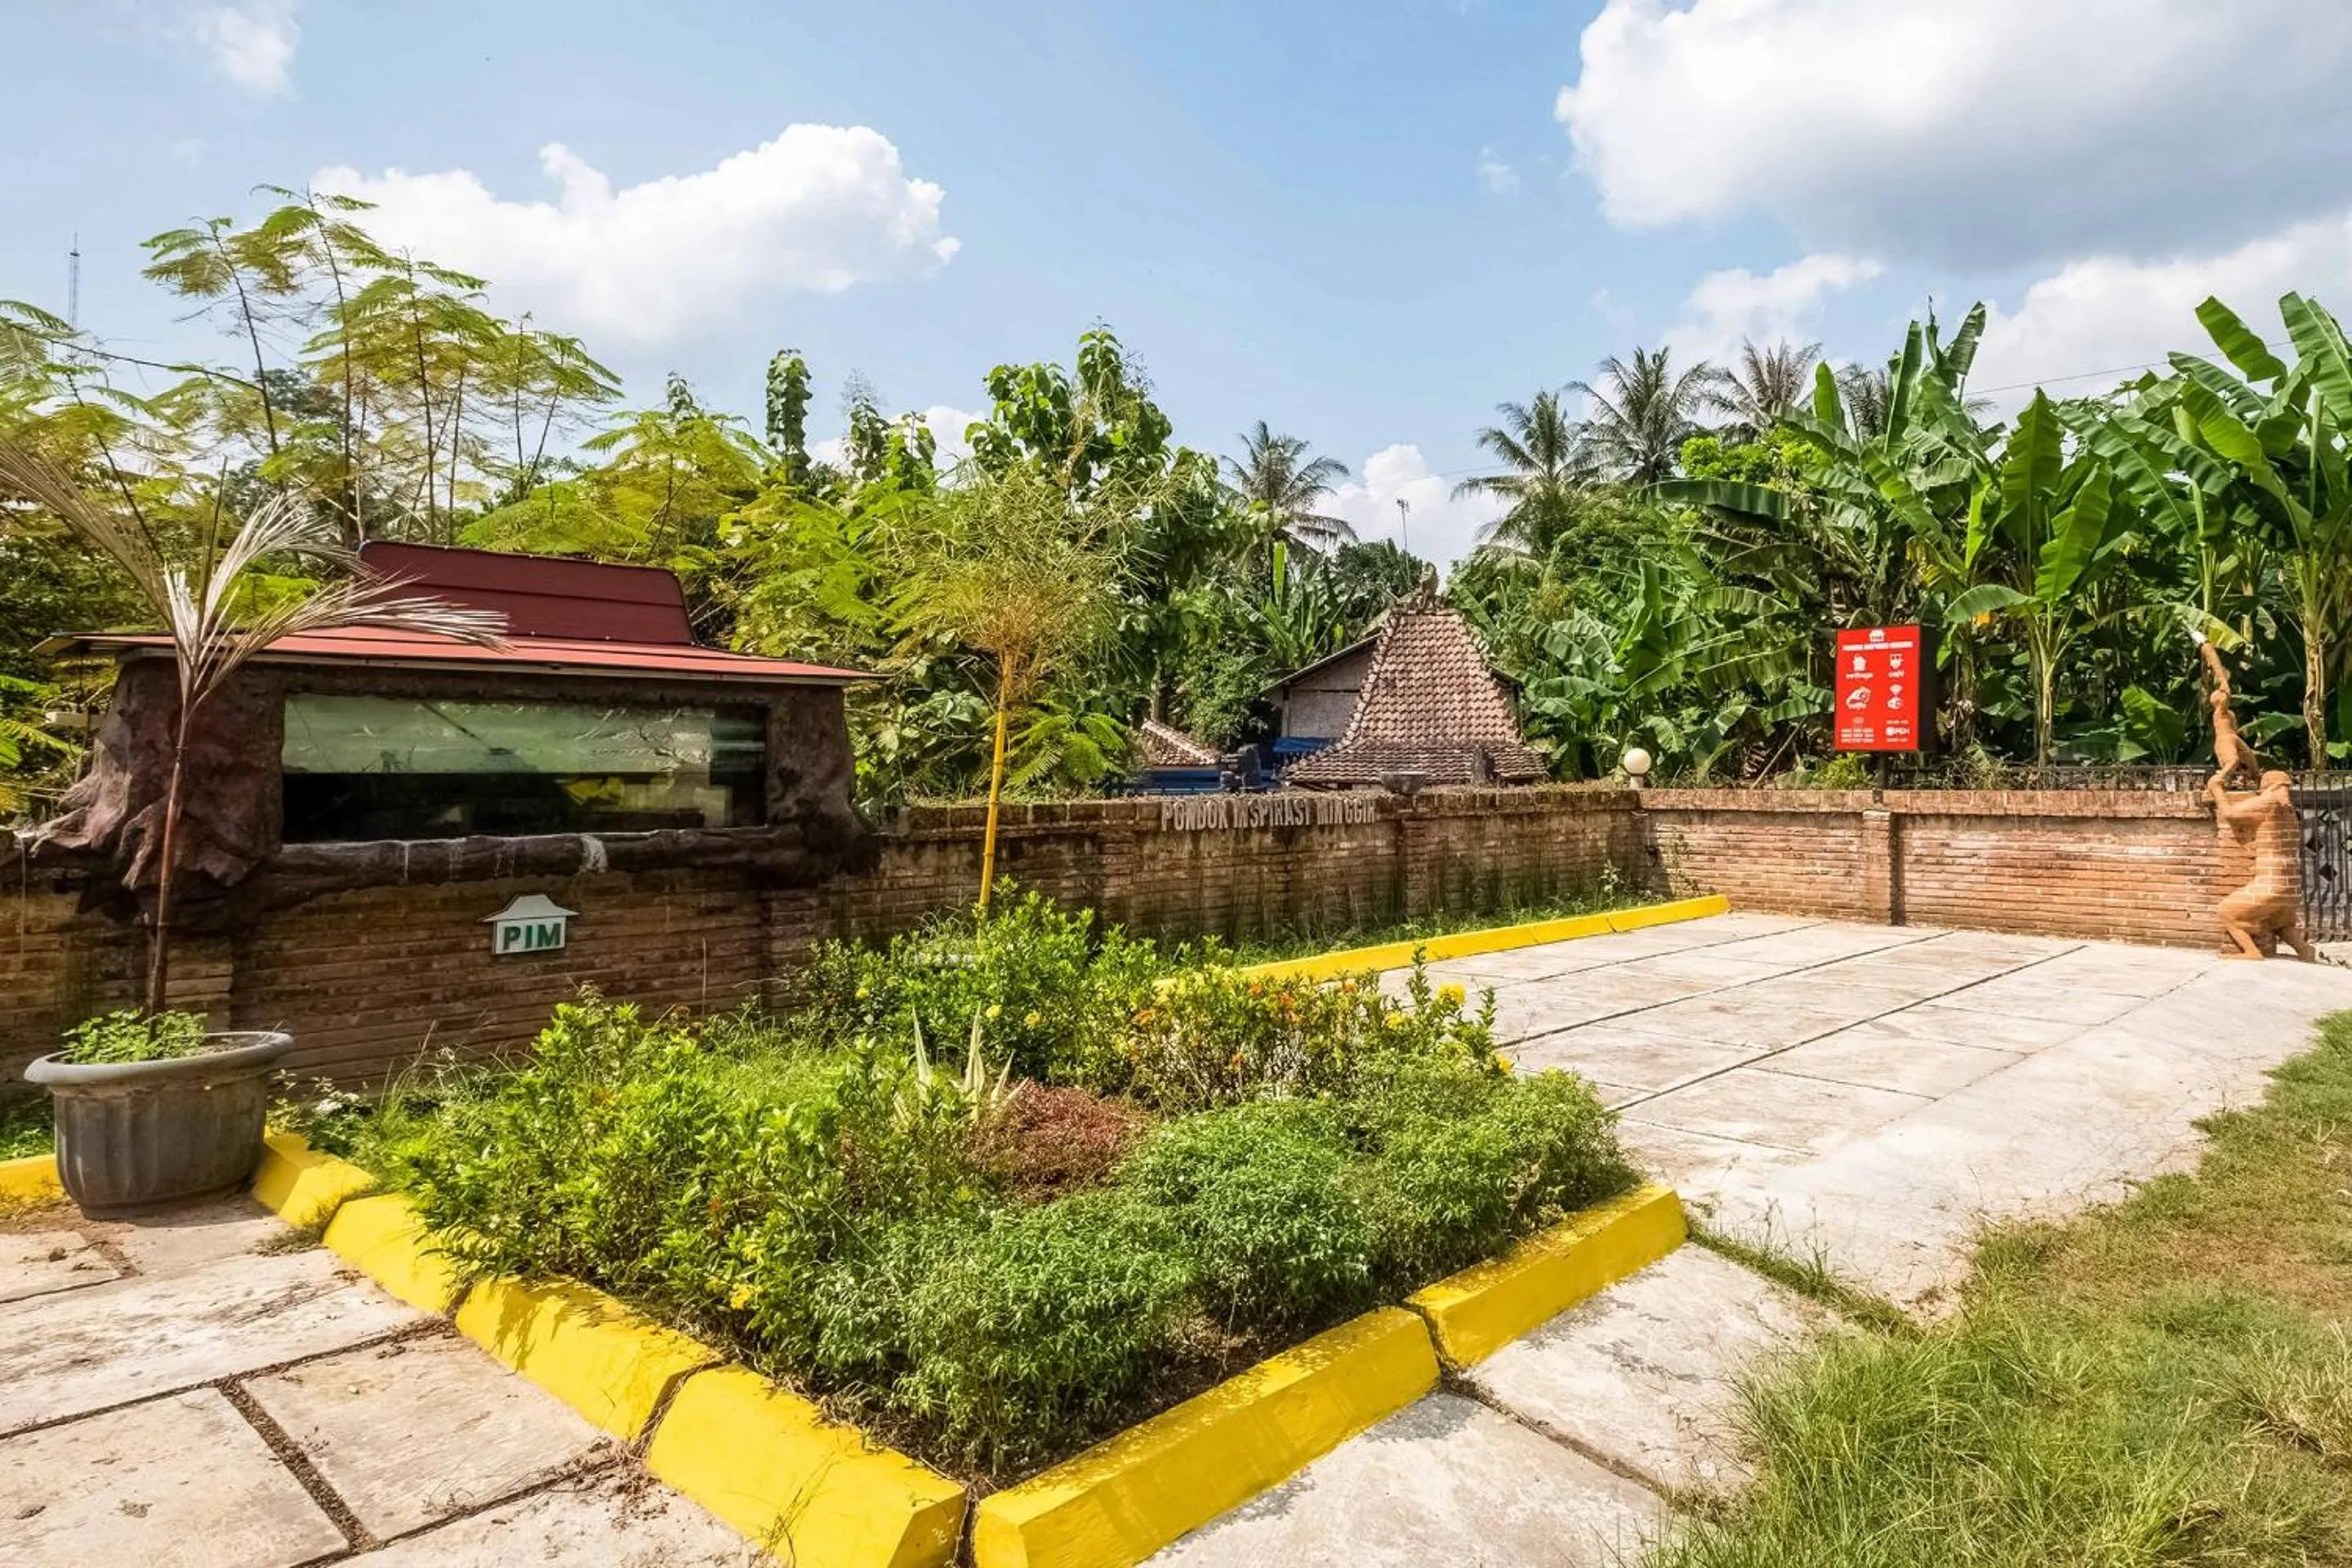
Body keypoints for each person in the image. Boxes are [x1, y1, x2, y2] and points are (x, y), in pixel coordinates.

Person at [2206, 769, 2315, 960]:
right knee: (2280, 923)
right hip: (2291, 887)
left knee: (2227, 911)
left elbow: (2230, 814)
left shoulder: (2269, 802)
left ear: (2266, 786)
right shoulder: (2289, 811)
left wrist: (2217, 789)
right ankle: (2305, 950)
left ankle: (2252, 952)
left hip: (2272, 883)